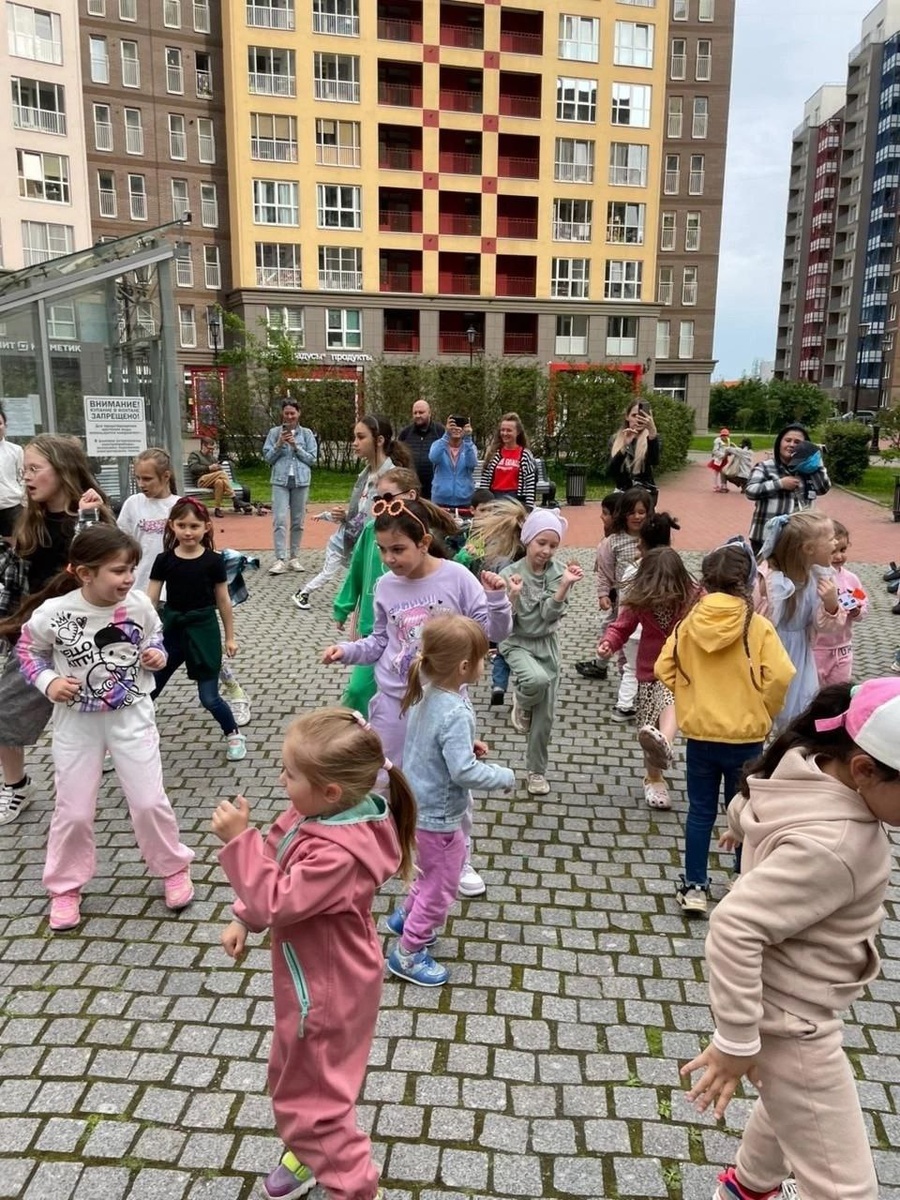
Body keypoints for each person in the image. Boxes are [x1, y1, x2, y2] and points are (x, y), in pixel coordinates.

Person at [681, 678, 900, 1200]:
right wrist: (735, 1043)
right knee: (848, 1189)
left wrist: (741, 828)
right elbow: (734, 926)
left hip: (785, 1008)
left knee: (792, 1112)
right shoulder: (841, 844)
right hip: (794, 1023)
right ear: (864, 771)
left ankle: (746, 1189)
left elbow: (751, 803)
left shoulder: (801, 765)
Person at [213, 707, 416, 1200]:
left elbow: (279, 898)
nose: (280, 780)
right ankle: (308, 1154)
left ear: (330, 791)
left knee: (315, 1100)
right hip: (311, 978)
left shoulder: (338, 854)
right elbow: (276, 858)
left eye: (290, 774)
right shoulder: (315, 812)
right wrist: (245, 916)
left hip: (327, 989)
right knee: (293, 1073)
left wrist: (238, 843)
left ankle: (351, 1184)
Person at [5, 525, 194, 931]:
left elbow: (154, 636)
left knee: (148, 801)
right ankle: (65, 887)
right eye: (119, 571)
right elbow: (28, 650)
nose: (128, 578)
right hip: (76, 724)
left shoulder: (139, 604)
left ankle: (173, 867)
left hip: (132, 716)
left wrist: (156, 654)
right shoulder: (54, 613)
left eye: (131, 569)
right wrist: (48, 682)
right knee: (73, 811)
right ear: (84, 573)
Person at [322, 497, 512, 770]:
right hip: (394, 704)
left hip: (443, 701)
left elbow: (495, 633)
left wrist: (497, 601)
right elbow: (380, 641)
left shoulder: (457, 577)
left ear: (423, 543)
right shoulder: (385, 585)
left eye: (398, 549)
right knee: (389, 776)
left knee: (443, 775)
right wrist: (347, 650)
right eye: (382, 549)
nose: (389, 558)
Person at [656, 540, 795, 915]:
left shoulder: (689, 623)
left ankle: (695, 886)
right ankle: (740, 877)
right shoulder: (758, 626)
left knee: (700, 811)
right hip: (746, 736)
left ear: (705, 581)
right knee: (746, 810)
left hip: (701, 735)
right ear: (747, 582)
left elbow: (664, 667)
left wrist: (692, 695)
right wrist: (764, 708)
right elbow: (781, 675)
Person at [385, 616, 515, 986]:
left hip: (418, 807)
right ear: (463, 666)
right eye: (483, 658)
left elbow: (429, 744)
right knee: (441, 887)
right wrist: (503, 777)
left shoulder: (427, 692)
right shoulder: (456, 709)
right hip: (439, 818)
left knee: (429, 874)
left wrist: (465, 746)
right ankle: (409, 953)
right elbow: (463, 772)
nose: (485, 663)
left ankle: (405, 919)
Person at [0, 435, 111, 825]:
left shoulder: (92, 517)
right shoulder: (28, 523)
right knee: (3, 710)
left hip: (84, 639)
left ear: (62, 470)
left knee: (104, 716)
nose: (27, 477)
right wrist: (8, 627)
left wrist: (89, 519)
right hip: (36, 639)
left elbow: (91, 569)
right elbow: (14, 584)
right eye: (24, 470)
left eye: (35, 469)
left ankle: (120, 769)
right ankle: (16, 786)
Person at [332, 468, 456, 716]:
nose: (382, 504)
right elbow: (357, 569)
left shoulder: (420, 536)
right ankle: (359, 730)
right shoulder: (371, 530)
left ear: (410, 496)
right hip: (374, 625)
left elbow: (444, 573)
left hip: (411, 633)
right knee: (358, 689)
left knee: (409, 693)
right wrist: (343, 606)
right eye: (378, 499)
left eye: (388, 498)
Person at [598, 547, 699, 810]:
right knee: (648, 728)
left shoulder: (694, 597)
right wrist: (609, 643)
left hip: (680, 670)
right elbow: (622, 626)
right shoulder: (641, 599)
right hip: (649, 669)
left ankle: (666, 743)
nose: (662, 595)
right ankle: (654, 776)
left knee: (668, 699)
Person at [146, 497, 246, 761]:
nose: (188, 532)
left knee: (209, 697)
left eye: (194, 526)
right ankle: (126, 741)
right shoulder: (163, 560)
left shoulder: (213, 561)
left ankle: (233, 733)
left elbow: (223, 600)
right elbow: (150, 601)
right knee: (148, 691)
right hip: (172, 629)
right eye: (182, 525)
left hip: (204, 630)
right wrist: (141, 633)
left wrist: (230, 637)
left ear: (206, 527)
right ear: (172, 526)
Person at [500, 509, 584, 796]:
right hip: (517, 641)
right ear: (527, 540)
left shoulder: (559, 572)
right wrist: (512, 596)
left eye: (553, 545)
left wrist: (564, 586)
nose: (547, 551)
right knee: (535, 680)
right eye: (541, 543)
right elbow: (504, 622)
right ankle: (522, 701)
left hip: (547, 644)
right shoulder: (509, 573)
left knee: (544, 719)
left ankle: (536, 771)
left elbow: (549, 615)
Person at [291, 414, 408, 609]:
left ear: (379, 440)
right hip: (358, 548)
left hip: (378, 556)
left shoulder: (392, 479)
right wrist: (346, 516)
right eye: (354, 437)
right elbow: (363, 515)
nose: (354, 443)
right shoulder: (365, 475)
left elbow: (395, 523)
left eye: (361, 437)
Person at [759, 510, 841, 733]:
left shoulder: (820, 577)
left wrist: (831, 604)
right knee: (766, 707)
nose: (836, 543)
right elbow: (759, 623)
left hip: (801, 656)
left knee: (799, 711)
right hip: (771, 652)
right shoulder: (773, 581)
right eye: (831, 538)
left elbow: (825, 627)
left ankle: (789, 747)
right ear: (809, 549)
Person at [453, 497, 527, 708]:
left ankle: (503, 685)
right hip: (495, 606)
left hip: (502, 608)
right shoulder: (479, 538)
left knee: (505, 647)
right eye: (483, 510)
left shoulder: (501, 550)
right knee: (505, 646)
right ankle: (505, 686)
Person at [595, 487, 653, 723]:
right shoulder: (613, 542)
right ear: (623, 514)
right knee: (622, 643)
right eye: (632, 512)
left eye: (642, 512)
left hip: (649, 604)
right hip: (623, 602)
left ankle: (634, 683)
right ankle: (627, 683)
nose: (637, 517)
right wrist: (603, 594)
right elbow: (604, 570)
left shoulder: (651, 538)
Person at [745, 423, 831, 555]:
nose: (791, 444)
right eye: (788, 440)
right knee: (766, 569)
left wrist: (816, 463)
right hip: (766, 537)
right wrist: (779, 484)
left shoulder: (810, 469)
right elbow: (751, 491)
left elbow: (823, 488)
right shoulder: (765, 467)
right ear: (779, 443)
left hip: (799, 538)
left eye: (797, 442)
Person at [262, 398, 318, 575]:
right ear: (282, 414)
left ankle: (294, 557)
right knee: (279, 519)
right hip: (280, 481)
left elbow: (312, 459)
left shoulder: (307, 434)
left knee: (298, 521)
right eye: (286, 413)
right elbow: (268, 458)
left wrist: (295, 446)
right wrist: (279, 444)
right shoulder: (274, 433)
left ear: (298, 413)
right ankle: (280, 559)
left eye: (292, 413)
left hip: (301, 481)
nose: (289, 416)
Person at [813, 518, 868, 686]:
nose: (838, 556)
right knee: (813, 694)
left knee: (838, 692)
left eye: (843, 550)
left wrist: (858, 611)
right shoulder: (813, 578)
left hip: (843, 648)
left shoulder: (852, 579)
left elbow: (863, 601)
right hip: (816, 649)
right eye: (833, 551)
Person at [116, 448, 178, 593]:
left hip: (171, 587)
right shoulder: (133, 503)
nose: (141, 484)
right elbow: (120, 543)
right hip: (138, 585)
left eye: (147, 479)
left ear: (166, 476)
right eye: (138, 478)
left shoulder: (179, 505)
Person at [575, 493, 619, 681]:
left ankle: (606, 667)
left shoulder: (616, 542)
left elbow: (606, 572)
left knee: (612, 628)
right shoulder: (611, 540)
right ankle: (601, 665)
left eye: (606, 513)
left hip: (624, 597)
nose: (601, 516)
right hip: (617, 596)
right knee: (609, 626)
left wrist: (605, 593)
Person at [479, 412, 537, 511]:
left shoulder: (525, 455)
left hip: (515, 500)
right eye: (503, 430)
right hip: (494, 499)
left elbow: (530, 484)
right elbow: (484, 481)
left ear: (517, 432)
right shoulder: (493, 453)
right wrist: (483, 503)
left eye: (509, 430)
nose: (505, 433)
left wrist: (529, 507)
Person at [608, 400, 661, 496]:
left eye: (642, 416)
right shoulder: (616, 439)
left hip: (644, 493)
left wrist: (652, 434)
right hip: (622, 491)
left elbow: (654, 461)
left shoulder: (651, 439)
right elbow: (612, 471)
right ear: (627, 417)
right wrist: (624, 447)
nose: (638, 419)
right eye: (634, 415)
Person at [187, 438, 245, 519]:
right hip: (200, 480)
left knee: (219, 482)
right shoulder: (195, 455)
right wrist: (209, 468)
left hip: (212, 481)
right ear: (203, 446)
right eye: (209, 448)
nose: (211, 451)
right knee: (222, 474)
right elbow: (193, 468)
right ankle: (234, 498)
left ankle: (217, 509)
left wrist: (218, 467)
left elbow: (218, 471)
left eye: (212, 449)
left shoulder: (212, 458)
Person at [429, 416, 478, 511]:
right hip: (440, 499)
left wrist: (468, 438)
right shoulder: (438, 444)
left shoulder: (470, 447)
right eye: (453, 425)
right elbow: (433, 458)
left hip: (465, 500)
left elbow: (472, 464)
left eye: (460, 426)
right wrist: (446, 435)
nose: (457, 429)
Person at [397, 400, 444, 500]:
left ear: (429, 413)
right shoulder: (405, 433)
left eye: (421, 412)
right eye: (415, 413)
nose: (418, 415)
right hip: (411, 488)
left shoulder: (440, 432)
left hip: (435, 488)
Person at [0, 404, 24, 539]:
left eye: (0, 423)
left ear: (5, 426)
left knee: (14, 544)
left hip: (11, 507)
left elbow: (22, 478)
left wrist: (24, 503)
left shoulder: (16, 450)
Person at [709, 428, 732, 493]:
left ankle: (723, 485)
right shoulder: (717, 441)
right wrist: (722, 455)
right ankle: (715, 486)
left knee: (723, 473)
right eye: (723, 435)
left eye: (726, 435)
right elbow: (715, 451)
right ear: (720, 435)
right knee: (716, 473)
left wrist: (729, 453)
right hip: (718, 459)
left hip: (725, 459)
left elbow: (728, 448)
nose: (724, 437)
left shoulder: (728, 440)